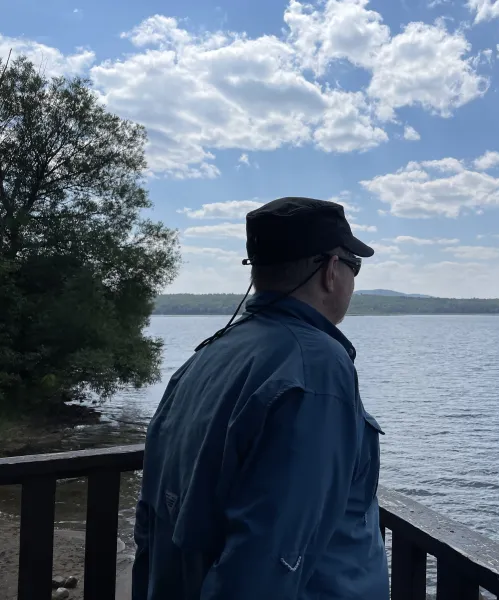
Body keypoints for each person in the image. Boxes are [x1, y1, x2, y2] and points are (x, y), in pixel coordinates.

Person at [132, 197, 389, 600]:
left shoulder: (208, 355)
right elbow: (271, 557)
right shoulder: (316, 368)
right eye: (354, 266)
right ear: (331, 271)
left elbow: (151, 518)